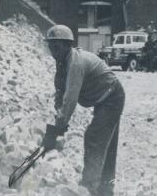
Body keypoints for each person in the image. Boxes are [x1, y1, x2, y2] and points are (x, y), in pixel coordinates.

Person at [43, 24, 125, 196]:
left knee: (95, 137)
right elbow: (60, 93)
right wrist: (58, 122)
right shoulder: (61, 63)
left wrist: (61, 124)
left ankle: (89, 189)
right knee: (105, 143)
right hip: (103, 98)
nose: (53, 51)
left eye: (56, 47)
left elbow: (71, 97)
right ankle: (105, 190)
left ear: (67, 45)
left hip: (112, 96)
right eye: (50, 47)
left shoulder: (75, 62)